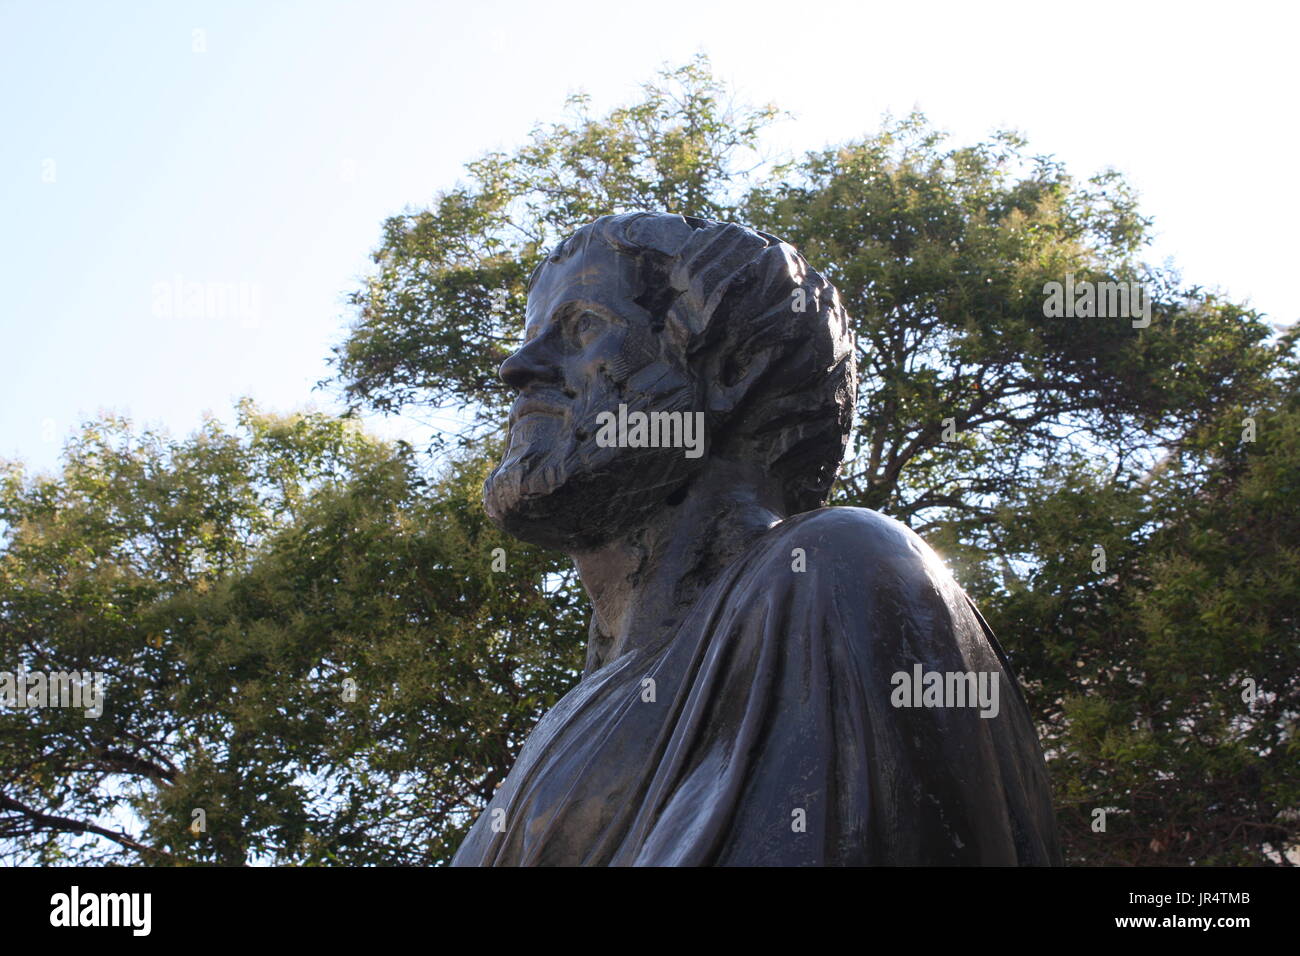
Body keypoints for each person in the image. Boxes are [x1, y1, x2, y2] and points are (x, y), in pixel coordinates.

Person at [453, 212, 1061, 865]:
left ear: (736, 367)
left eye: (582, 328)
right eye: (532, 334)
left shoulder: (838, 572)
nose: (518, 368)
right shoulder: (572, 717)